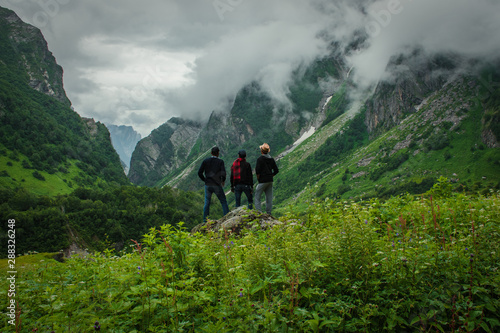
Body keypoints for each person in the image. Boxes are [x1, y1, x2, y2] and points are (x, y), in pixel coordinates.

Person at [198, 146, 229, 222]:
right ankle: (227, 217)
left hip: (208, 185)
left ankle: (205, 220)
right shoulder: (220, 162)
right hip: (217, 184)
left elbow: (199, 173)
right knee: (223, 201)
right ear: (218, 153)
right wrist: (222, 180)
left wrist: (205, 180)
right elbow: (223, 173)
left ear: (211, 153)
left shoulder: (205, 161)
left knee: (207, 202)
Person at [254, 143, 279, 215]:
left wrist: (259, 179)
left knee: (257, 196)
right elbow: (276, 170)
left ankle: (259, 213)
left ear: (262, 151)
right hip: (270, 180)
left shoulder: (260, 159)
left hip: (262, 180)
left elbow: (257, 171)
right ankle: (269, 213)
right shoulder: (271, 159)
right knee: (269, 198)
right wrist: (271, 175)